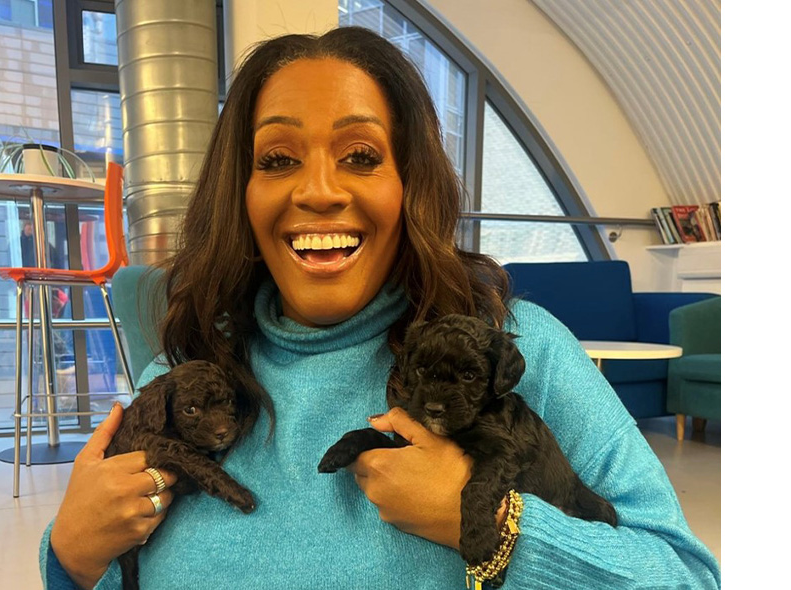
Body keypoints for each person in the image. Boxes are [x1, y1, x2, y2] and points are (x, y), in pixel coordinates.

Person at [40, 27, 720, 589]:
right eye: (277, 159)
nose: (318, 191)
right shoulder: (186, 371)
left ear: (410, 184)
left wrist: (491, 524)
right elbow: (106, 559)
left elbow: (686, 575)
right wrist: (69, 553)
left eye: (360, 155)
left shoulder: (518, 346)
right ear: (239, 193)